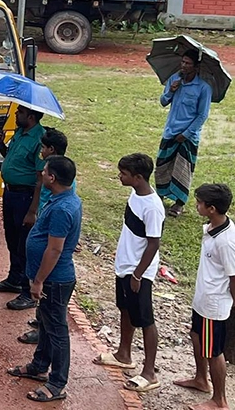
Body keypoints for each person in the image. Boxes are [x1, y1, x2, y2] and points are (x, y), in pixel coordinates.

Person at [7, 155, 82, 403]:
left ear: (52, 177)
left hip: (54, 279)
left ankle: (57, 383)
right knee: (47, 326)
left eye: (45, 171)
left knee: (57, 330)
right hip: (52, 278)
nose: (41, 173)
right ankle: (39, 366)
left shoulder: (62, 208)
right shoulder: (63, 199)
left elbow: (54, 249)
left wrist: (38, 281)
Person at [93, 153, 165, 394]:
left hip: (138, 271)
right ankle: (124, 354)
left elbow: (154, 244)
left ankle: (149, 372)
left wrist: (138, 274)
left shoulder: (153, 207)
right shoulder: (135, 194)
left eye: (123, 174)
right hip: (125, 265)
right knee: (125, 309)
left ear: (138, 177)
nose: (119, 176)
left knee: (145, 319)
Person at [175, 183, 235, 410]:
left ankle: (219, 400)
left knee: (214, 350)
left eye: (199, 202)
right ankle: (201, 379)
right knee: (196, 336)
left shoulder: (227, 241)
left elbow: (234, 276)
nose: (196, 205)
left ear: (211, 208)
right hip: (202, 298)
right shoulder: (211, 228)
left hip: (213, 304)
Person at [0, 105, 47, 311]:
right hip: (11, 193)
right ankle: (14, 279)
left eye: (19, 112)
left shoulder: (40, 139)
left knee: (25, 244)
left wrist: (33, 210)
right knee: (12, 238)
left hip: (26, 195)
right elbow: (12, 158)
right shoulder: (19, 133)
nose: (15, 115)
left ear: (30, 117)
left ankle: (27, 291)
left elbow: (40, 179)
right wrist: (0, 145)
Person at [18, 129, 71, 345]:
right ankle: (41, 320)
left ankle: (42, 329)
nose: (40, 151)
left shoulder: (62, 191)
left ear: (51, 150)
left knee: (47, 290)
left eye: (43, 147)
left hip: (52, 243)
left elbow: (56, 243)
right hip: (44, 230)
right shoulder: (58, 177)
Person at [157, 50, 214, 217]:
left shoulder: (203, 88)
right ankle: (160, 196)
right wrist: (171, 91)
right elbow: (163, 102)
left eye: (188, 63)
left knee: (183, 169)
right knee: (162, 166)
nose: (184, 66)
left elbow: (202, 115)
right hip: (170, 131)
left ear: (196, 67)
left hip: (188, 136)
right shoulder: (175, 80)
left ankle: (179, 203)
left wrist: (187, 133)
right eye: (183, 62)